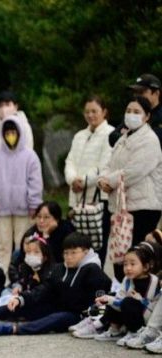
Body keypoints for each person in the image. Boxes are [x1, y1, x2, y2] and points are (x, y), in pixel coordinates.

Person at [0, 233, 111, 336]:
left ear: (86, 252)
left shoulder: (93, 270)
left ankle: (14, 329)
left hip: (79, 316)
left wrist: (93, 319)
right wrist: (21, 299)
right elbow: (44, 289)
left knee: (56, 318)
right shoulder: (60, 268)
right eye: (66, 253)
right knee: (25, 304)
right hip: (58, 308)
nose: (69, 257)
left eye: (73, 253)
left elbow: (100, 300)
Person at [98, 97, 162, 279]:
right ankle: (122, 295)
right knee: (120, 257)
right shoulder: (123, 139)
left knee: (137, 259)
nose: (131, 115)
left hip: (143, 208)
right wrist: (102, 180)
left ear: (147, 116)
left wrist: (109, 181)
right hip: (122, 208)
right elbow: (109, 164)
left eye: (137, 112)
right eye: (128, 111)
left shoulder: (149, 140)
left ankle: (139, 299)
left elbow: (134, 171)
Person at [0, 115, 43, 266]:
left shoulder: (30, 156)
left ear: (20, 133)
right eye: (7, 133)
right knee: (3, 246)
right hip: (2, 210)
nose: (10, 136)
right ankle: (2, 277)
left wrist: (34, 204)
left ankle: (22, 277)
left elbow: (35, 182)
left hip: (24, 210)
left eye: (13, 133)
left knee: (23, 244)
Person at [63, 96, 114, 261]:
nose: (90, 115)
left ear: (104, 112)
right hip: (77, 197)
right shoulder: (79, 135)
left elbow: (105, 165)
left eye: (94, 111)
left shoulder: (110, 134)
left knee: (97, 244)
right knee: (76, 243)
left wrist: (84, 181)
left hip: (97, 199)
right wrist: (72, 180)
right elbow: (69, 161)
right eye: (87, 111)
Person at [89, 244, 160, 344]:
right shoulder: (127, 280)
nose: (128, 268)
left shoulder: (154, 282)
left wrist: (140, 300)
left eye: (132, 264)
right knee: (113, 296)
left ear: (145, 267)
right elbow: (119, 299)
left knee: (127, 302)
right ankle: (115, 330)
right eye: (125, 264)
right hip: (131, 310)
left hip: (147, 317)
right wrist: (107, 299)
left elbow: (154, 308)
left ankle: (135, 332)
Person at [0, 91, 35, 170]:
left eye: (7, 105)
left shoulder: (24, 126)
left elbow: (28, 149)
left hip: (19, 172)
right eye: (0, 106)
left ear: (15, 107)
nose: (3, 109)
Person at [111, 74, 162, 146]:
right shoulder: (133, 113)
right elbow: (112, 137)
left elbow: (150, 143)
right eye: (135, 92)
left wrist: (127, 134)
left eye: (141, 92)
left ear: (156, 93)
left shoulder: (160, 117)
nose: (137, 96)